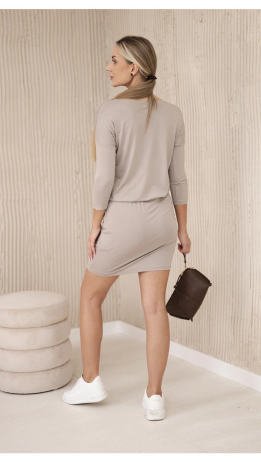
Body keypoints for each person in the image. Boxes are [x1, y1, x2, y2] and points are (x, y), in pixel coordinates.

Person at [62, 36, 191, 421]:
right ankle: (155, 397)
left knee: (89, 298)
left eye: (114, 60)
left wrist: (95, 224)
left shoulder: (109, 111)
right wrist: (183, 229)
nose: (108, 66)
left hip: (124, 220)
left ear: (134, 68)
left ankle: (90, 380)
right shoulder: (173, 114)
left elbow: (104, 178)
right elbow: (178, 178)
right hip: (162, 222)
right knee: (154, 309)